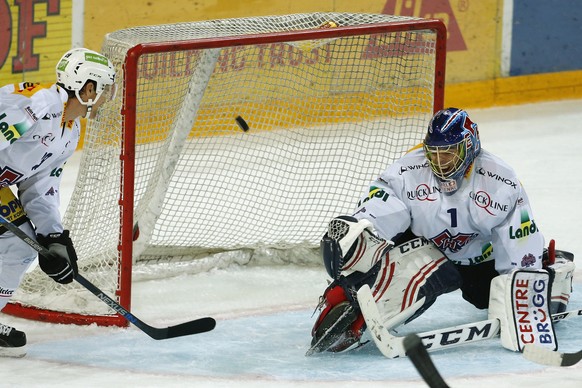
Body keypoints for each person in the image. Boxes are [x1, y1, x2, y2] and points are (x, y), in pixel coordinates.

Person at [309, 108, 575, 355]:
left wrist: (524, 281)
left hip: (479, 259)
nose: (439, 161)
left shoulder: (501, 181)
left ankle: (554, 270)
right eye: (433, 153)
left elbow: (518, 237)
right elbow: (383, 205)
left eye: (448, 152)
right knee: (409, 276)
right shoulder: (408, 170)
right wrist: (360, 228)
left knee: (489, 298)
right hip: (426, 246)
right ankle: (353, 306)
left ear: (469, 147)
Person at [0, 48, 116, 357]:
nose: (107, 98)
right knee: (16, 241)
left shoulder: (69, 130)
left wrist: (53, 235)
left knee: (20, 244)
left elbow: (39, 186)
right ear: (88, 88)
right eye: (105, 89)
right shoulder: (39, 105)